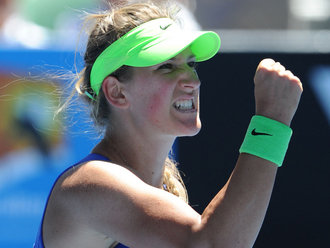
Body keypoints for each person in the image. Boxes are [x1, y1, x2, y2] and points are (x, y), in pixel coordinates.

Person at [33, 1, 303, 248]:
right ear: (117, 92)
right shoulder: (89, 184)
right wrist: (271, 121)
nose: (192, 81)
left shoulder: (159, 192)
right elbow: (214, 244)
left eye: (191, 64)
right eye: (166, 67)